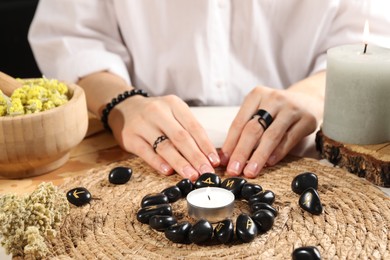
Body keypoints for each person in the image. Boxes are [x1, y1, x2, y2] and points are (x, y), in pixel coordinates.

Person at [28, 1, 390, 181]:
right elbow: (72, 35)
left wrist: (312, 95)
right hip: (139, 144)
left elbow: (368, 38)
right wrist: (123, 104)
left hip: (303, 145)